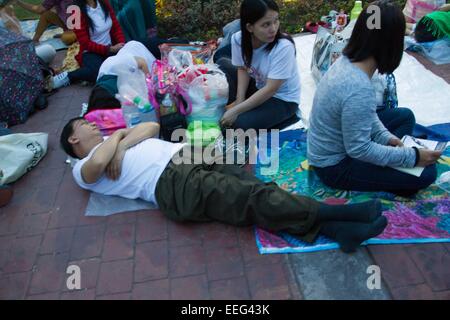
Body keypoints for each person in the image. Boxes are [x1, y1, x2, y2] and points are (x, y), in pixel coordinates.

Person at [60, 118, 388, 253]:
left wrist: (117, 138)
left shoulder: (110, 139)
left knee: (256, 187)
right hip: (172, 183)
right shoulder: (80, 167)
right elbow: (99, 165)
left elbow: (151, 126)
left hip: (189, 156)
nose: (94, 125)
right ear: (74, 138)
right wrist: (113, 145)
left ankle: (337, 234)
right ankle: (334, 217)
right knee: (250, 197)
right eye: (87, 125)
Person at [307, 0, 441, 197]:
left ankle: (389, 167)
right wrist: (411, 157)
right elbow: (359, 149)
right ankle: (391, 177)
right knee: (426, 174)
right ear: (391, 44)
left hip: (338, 143)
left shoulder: (348, 60)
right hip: (335, 166)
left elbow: (368, 114)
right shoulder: (358, 86)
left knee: (404, 117)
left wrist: (386, 137)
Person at [216, 0, 300, 131]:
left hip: (281, 99)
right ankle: (246, 108)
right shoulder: (238, 39)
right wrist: (240, 100)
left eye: (276, 21)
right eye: (266, 24)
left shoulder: (284, 47)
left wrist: (236, 110)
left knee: (238, 126)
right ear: (250, 27)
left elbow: (270, 89)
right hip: (258, 85)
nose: (273, 29)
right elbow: (242, 68)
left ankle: (288, 118)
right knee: (221, 62)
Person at [52, 0, 125, 89]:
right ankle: (69, 76)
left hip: (111, 48)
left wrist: (121, 45)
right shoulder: (76, 11)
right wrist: (109, 49)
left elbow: (116, 27)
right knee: (97, 72)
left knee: (129, 60)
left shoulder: (104, 3)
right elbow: (85, 43)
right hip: (91, 52)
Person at [87, 40, 156, 112]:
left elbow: (142, 62)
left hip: (139, 48)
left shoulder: (116, 64)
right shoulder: (100, 85)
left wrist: (149, 85)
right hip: (133, 65)